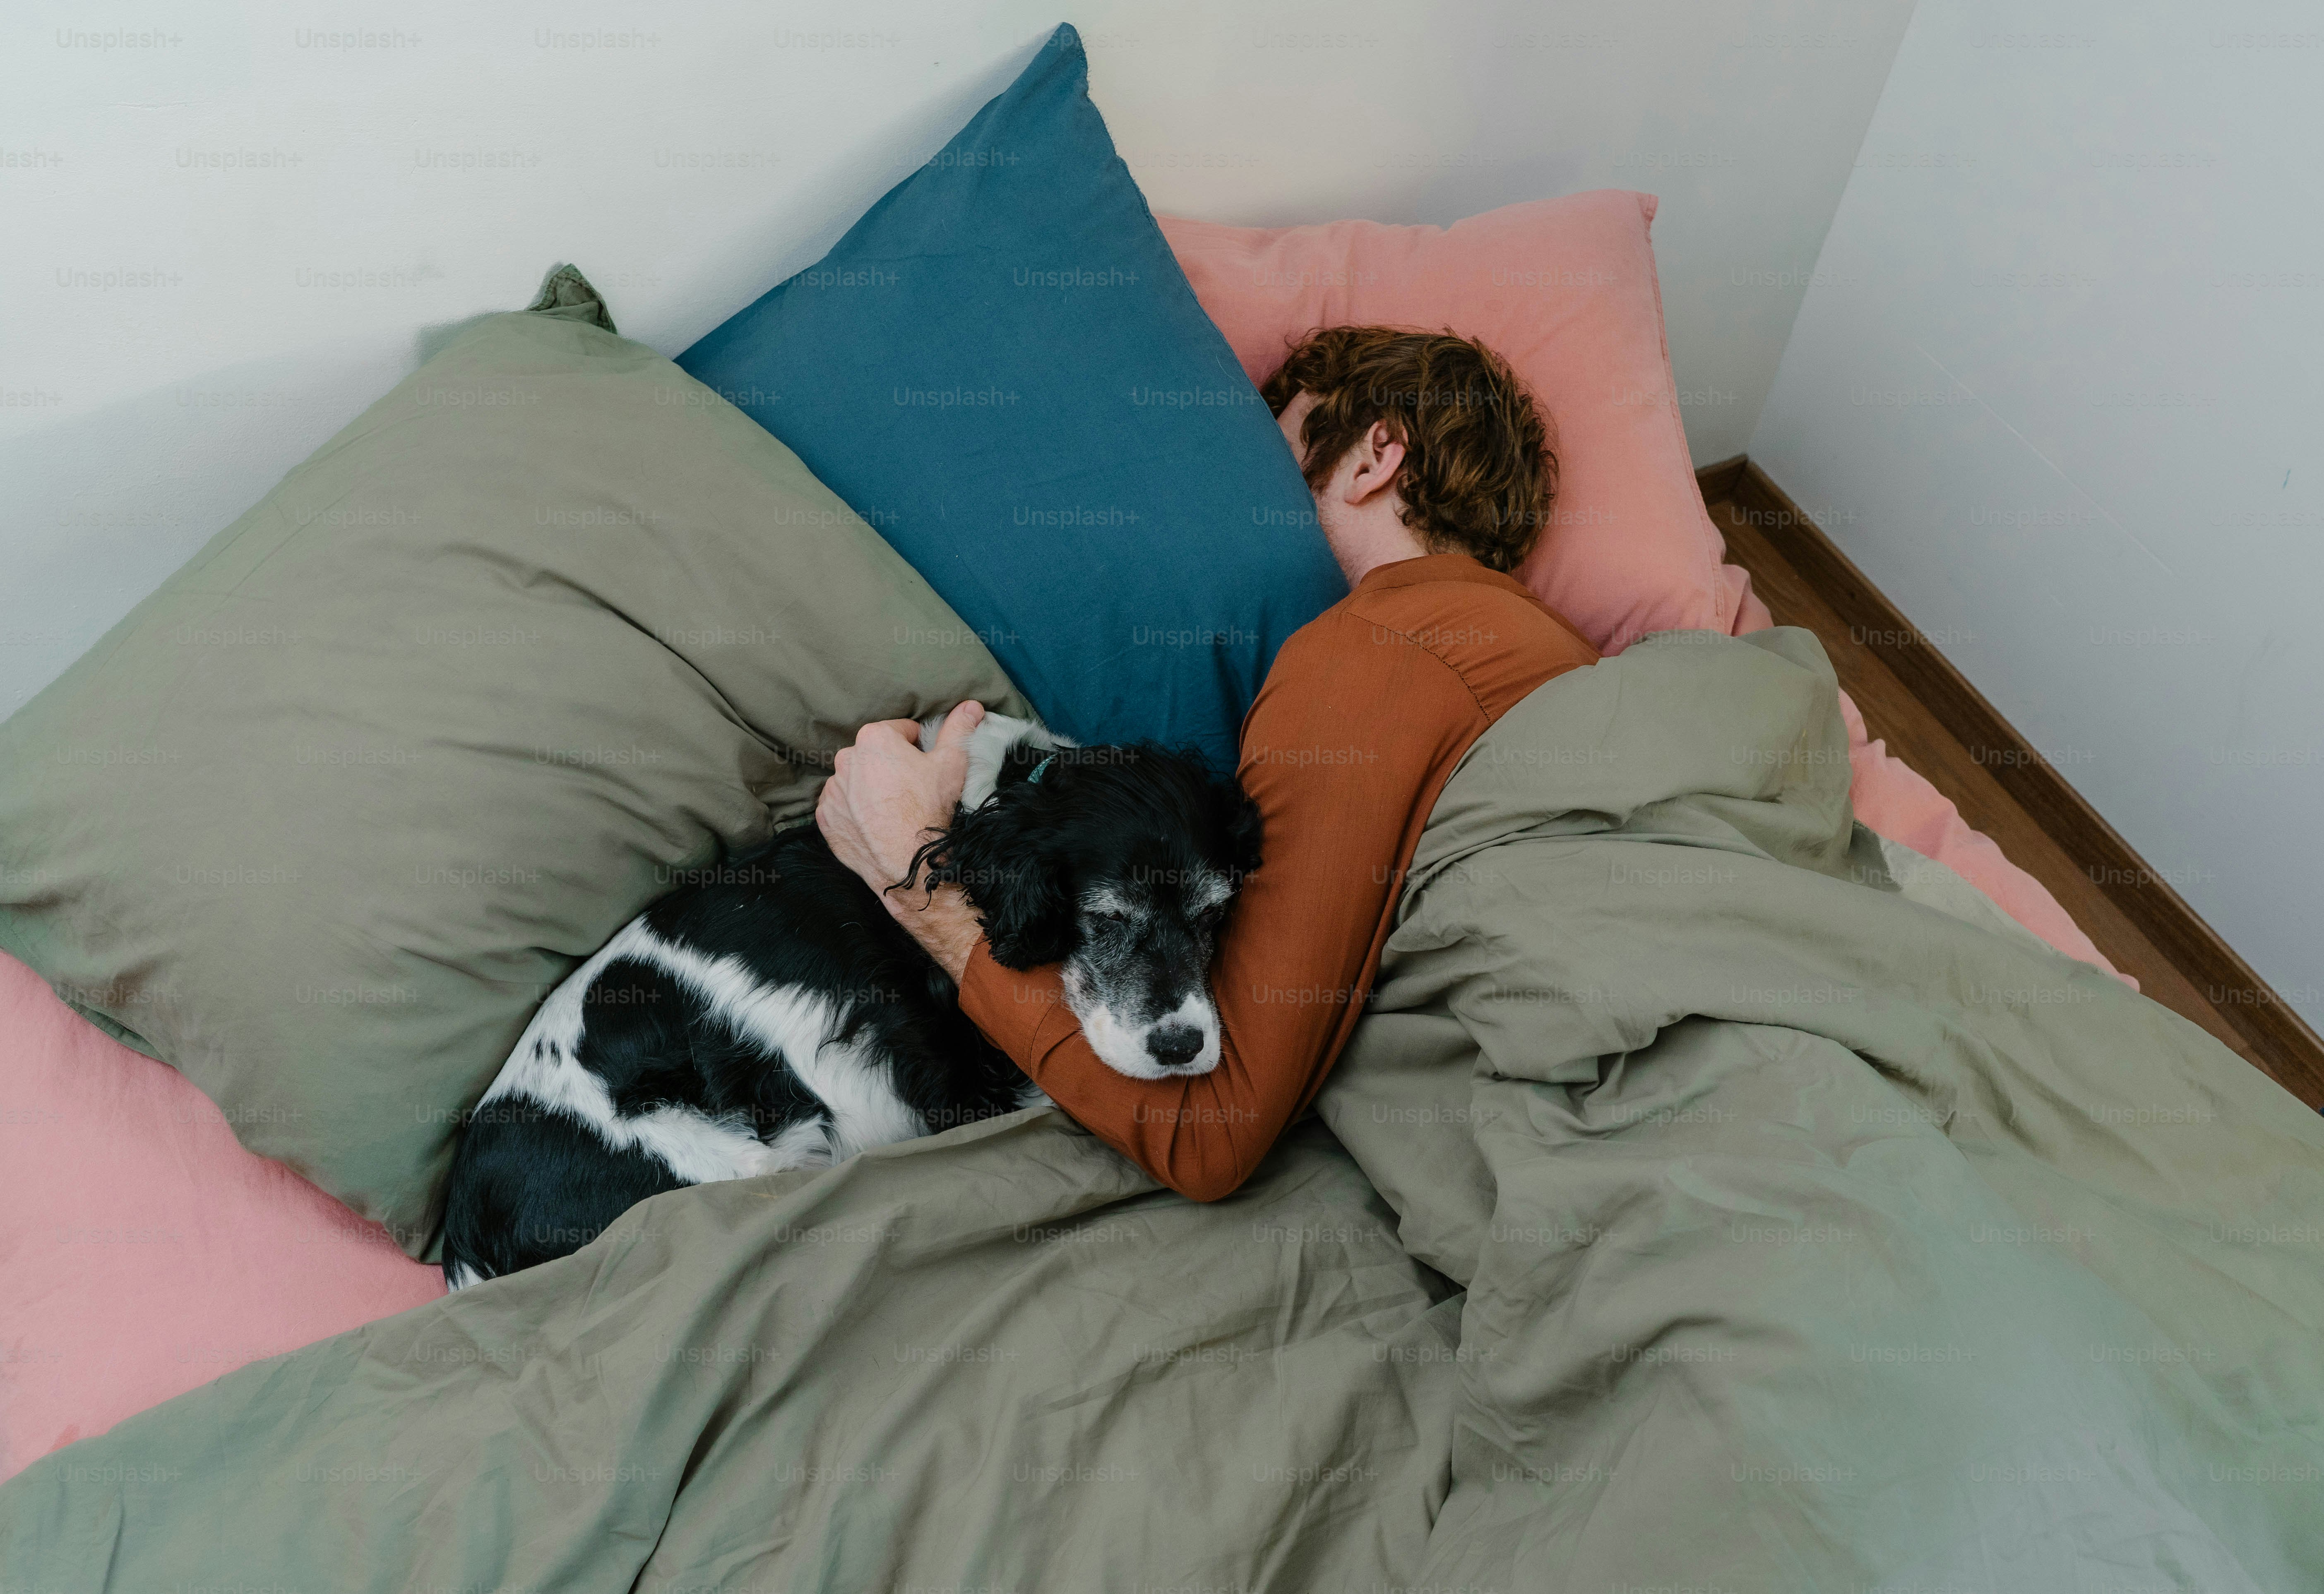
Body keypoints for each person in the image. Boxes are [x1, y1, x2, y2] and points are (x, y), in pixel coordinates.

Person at [817, 326, 1600, 1200]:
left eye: (1267, 464)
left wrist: (913, 875)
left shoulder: (1366, 656)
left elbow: (1209, 1137)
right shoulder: (1561, 649)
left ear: (1377, 453)